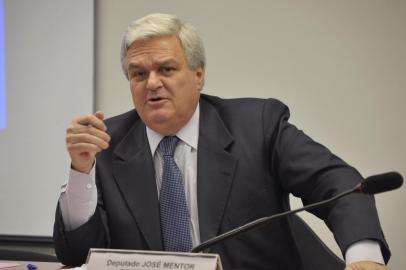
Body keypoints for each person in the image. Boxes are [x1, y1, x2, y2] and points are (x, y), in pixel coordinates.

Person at [54, 13, 391, 270]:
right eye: (139, 74)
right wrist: (81, 171)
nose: (152, 83)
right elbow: (76, 256)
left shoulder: (257, 126)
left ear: (198, 74)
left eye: (166, 70)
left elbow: (339, 183)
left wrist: (364, 256)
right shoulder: (107, 143)